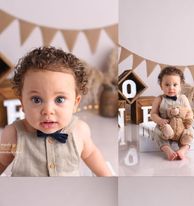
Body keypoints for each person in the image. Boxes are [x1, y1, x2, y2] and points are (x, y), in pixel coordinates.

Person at [0, 46, 112, 176]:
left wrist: (107, 177)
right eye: (36, 100)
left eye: (59, 99)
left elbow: (91, 154)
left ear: (76, 103)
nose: (48, 111)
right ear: (22, 103)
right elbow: (2, 163)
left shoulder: (79, 131)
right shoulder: (14, 134)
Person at [151, 66, 194, 160]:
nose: (171, 88)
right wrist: (160, 120)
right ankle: (168, 150)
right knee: (157, 133)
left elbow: (189, 112)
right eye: (167, 84)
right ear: (161, 86)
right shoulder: (159, 99)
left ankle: (182, 150)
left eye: (175, 85)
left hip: (181, 127)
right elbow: (153, 114)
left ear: (180, 86)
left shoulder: (183, 98)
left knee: (189, 134)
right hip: (165, 128)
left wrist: (188, 121)